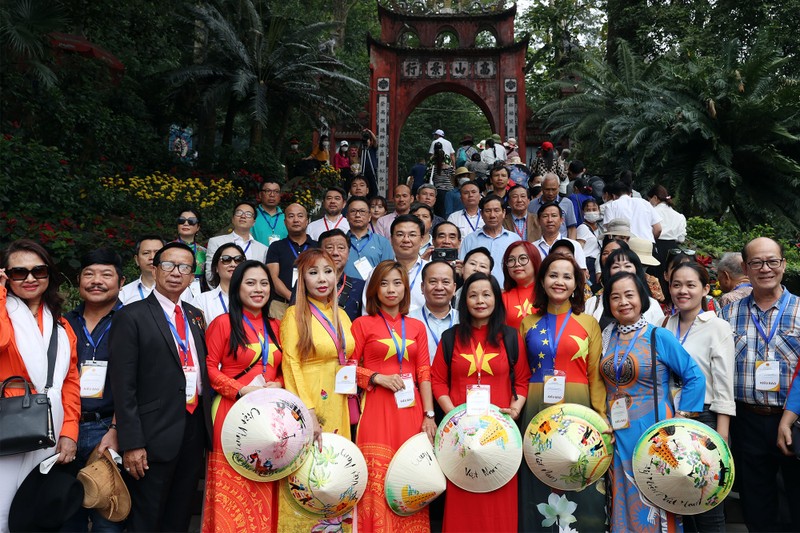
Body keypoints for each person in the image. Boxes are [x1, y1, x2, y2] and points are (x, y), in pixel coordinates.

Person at [109, 242, 213, 532]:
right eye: (167, 265)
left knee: (180, 516)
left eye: (184, 267)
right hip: (152, 434)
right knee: (147, 518)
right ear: (154, 269)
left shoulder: (195, 315)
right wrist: (132, 443)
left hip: (193, 430)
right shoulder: (131, 316)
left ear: (193, 276)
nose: (175, 272)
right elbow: (123, 386)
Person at [600, 272, 705, 533]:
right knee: (622, 495)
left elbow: (695, 376)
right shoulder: (607, 336)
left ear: (641, 299)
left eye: (629, 295)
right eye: (615, 297)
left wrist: (682, 419)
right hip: (618, 429)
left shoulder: (659, 336)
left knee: (655, 495)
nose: (623, 302)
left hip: (654, 430)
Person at [431, 272, 530, 533]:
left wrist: (515, 410)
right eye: (473, 295)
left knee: (499, 501)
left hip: (500, 438)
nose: (480, 300)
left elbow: (521, 381)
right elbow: (438, 381)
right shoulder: (450, 337)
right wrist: (453, 417)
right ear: (464, 301)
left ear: (496, 299)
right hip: (460, 439)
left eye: (486, 294)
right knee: (463, 499)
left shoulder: (510, 337)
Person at [518, 253, 606, 532]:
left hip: (579, 409)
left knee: (579, 468)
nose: (559, 281)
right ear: (542, 281)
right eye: (553, 275)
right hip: (536, 408)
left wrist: (601, 416)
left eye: (567, 276)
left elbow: (595, 375)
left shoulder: (588, 322)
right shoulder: (527, 322)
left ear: (576, 284)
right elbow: (520, 374)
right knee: (538, 470)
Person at [719, 237, 800, 532]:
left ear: (783, 264)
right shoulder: (727, 314)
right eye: (757, 262)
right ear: (745, 267)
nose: (765, 268)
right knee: (756, 502)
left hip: (794, 419)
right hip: (747, 419)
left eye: (772, 261)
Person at [0, 240, 80, 532]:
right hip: (8, 422)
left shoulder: (61, 323)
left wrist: (70, 431)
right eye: (19, 272)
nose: (30, 278)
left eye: (39, 270)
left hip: (50, 425)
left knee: (34, 511)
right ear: (5, 275)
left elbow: (70, 381)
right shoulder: (4, 311)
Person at [352, 261, 436, 531]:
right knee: (378, 476)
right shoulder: (362, 324)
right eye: (384, 283)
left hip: (411, 411)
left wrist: (429, 415)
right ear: (374, 289)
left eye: (397, 283)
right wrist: (377, 378)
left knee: (412, 476)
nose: (391, 289)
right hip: (376, 406)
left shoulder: (416, 327)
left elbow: (424, 372)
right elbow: (346, 368)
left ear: (406, 289)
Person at [277, 249, 356, 532]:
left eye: (328, 271)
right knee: (309, 469)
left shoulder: (342, 314)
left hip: (339, 399)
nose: (322, 279)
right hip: (311, 400)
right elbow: (291, 363)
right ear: (302, 279)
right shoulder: (293, 314)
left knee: (335, 468)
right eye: (313, 273)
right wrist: (306, 411)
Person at [202, 260, 283, 532]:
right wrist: (239, 389)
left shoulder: (276, 325)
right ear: (237, 288)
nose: (258, 289)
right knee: (233, 487)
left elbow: (284, 370)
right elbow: (209, 368)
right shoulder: (223, 323)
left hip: (270, 417)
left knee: (265, 480)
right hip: (232, 412)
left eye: (264, 283)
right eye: (250, 283)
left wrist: (278, 384)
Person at [664, 261, 735, 532]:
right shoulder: (665, 324)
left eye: (691, 285)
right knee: (677, 497)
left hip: (705, 418)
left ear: (705, 289)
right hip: (671, 417)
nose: (683, 291)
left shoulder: (717, 326)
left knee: (707, 500)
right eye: (677, 284)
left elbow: (724, 384)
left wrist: (723, 435)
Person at [62, 249, 126, 532]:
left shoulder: (132, 322)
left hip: (109, 430)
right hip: (65, 430)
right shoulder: (62, 322)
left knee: (107, 521)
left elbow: (139, 384)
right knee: (66, 517)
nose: (96, 281)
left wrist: (117, 429)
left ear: (121, 282)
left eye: (106, 274)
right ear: (79, 281)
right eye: (89, 274)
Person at [585, 247, 665, 329]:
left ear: (637, 270)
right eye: (616, 267)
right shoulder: (593, 303)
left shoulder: (652, 305)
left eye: (627, 266)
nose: (622, 270)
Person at [365, 215, 429, 313]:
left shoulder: (431, 272)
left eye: (412, 235)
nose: (406, 240)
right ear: (391, 239)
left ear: (421, 240)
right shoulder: (378, 272)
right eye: (400, 235)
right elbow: (368, 309)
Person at [458, 194, 521, 286]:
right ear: (482, 214)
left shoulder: (514, 239)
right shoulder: (470, 239)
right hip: (477, 291)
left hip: (507, 292)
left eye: (496, 210)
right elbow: (462, 269)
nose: (492, 215)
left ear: (503, 213)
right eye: (488, 211)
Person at [265, 203, 318, 304]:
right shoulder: (276, 247)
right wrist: (292, 297)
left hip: (313, 304)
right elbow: (272, 277)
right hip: (282, 304)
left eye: (300, 216)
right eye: (291, 216)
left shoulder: (317, 247)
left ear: (307, 221)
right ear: (285, 222)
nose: (296, 220)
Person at [206, 201, 268, 285]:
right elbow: (210, 274)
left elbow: (263, 277)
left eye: (248, 214)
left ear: (254, 222)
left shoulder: (263, 249)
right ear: (232, 219)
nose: (243, 216)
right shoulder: (216, 242)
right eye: (239, 213)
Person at [409, 261, 459, 363]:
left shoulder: (463, 319)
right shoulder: (409, 320)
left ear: (454, 288)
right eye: (433, 282)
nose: (439, 287)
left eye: (445, 282)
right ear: (422, 287)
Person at [344, 196, 394, 281]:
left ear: (369, 216)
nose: (357, 215)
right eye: (353, 211)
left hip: (371, 291)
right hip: (343, 292)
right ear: (347, 216)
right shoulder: (339, 242)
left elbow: (388, 273)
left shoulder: (382, 242)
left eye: (362, 211)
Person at [318, 229, 365, 321]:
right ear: (319, 253)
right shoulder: (306, 283)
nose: (335, 253)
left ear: (348, 253)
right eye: (329, 247)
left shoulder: (361, 286)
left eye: (341, 248)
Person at [194, 244, 245, 324]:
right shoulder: (202, 301)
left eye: (238, 260)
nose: (233, 264)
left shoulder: (253, 298)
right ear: (216, 268)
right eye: (226, 259)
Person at [501, 241, 543, 331]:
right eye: (511, 260)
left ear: (535, 260)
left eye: (523, 258)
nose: (517, 264)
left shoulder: (548, 293)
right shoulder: (502, 298)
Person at [532, 202, 587, 269]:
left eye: (554, 215)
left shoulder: (575, 245)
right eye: (545, 216)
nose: (550, 220)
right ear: (538, 221)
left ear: (561, 220)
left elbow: (582, 273)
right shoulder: (532, 248)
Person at [647, 184, 686, 278]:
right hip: (673, 250)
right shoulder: (679, 216)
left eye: (649, 199)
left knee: (653, 278)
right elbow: (681, 239)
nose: (649, 202)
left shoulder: (651, 212)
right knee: (670, 277)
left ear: (655, 198)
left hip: (654, 248)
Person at [528, 174, 577, 239]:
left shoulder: (567, 203)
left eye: (553, 189)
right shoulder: (532, 204)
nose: (550, 193)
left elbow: (571, 228)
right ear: (542, 187)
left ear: (558, 187)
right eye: (547, 189)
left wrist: (571, 245)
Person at [119, 235, 165, 304]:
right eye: (146, 253)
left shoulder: (181, 291)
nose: (152, 257)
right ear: (137, 260)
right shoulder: (124, 293)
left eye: (157, 253)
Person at [174, 207, 207, 289]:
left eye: (191, 221)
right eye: (182, 220)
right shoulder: (167, 249)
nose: (186, 223)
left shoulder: (204, 252)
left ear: (198, 227)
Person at [252, 178, 288, 247]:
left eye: (276, 191)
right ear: (260, 195)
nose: (272, 195)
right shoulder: (252, 215)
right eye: (268, 191)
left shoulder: (287, 217)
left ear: (280, 195)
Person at [577, 198, 602, 289]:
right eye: (588, 210)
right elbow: (579, 248)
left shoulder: (599, 230)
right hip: (587, 264)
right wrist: (582, 267)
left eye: (594, 209)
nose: (592, 212)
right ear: (583, 212)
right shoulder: (583, 228)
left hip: (596, 265)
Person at [429, 142, 454, 218]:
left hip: (439, 190)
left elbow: (429, 175)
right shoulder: (449, 166)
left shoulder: (432, 165)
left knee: (439, 212)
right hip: (450, 190)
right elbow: (453, 176)